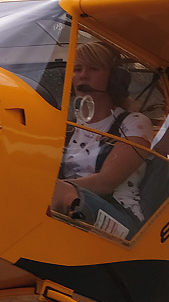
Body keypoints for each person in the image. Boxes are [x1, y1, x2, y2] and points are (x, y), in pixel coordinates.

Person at [50, 38, 154, 239]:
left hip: (121, 217)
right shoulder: (69, 127)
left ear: (115, 79)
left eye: (93, 69)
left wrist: (52, 189)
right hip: (71, 208)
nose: (83, 76)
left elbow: (106, 183)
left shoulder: (134, 123)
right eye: (77, 69)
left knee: (60, 192)